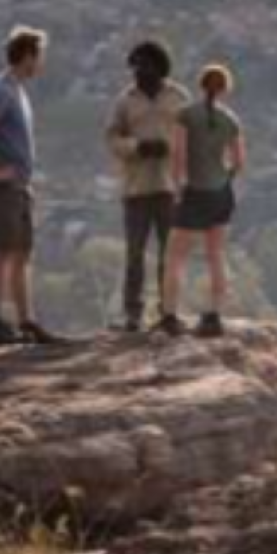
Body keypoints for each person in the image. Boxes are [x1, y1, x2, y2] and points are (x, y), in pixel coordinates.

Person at [0, 26, 60, 346]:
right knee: (1, 251)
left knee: (20, 253)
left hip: (20, 186)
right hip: (3, 188)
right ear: (27, 56)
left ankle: (26, 321)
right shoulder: (0, 90)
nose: (41, 64)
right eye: (39, 57)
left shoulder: (17, 89)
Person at [104, 37, 189, 334]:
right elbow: (112, 140)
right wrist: (138, 147)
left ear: (159, 67)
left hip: (170, 186)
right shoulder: (125, 100)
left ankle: (168, 313)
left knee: (171, 254)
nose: (138, 72)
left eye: (144, 66)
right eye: (135, 68)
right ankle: (133, 316)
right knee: (135, 255)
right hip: (136, 187)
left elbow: (191, 138)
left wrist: (173, 152)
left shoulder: (178, 97)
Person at [165, 63, 246, 338]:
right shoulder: (231, 120)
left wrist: (178, 187)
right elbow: (239, 162)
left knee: (175, 256)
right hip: (221, 192)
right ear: (225, 89)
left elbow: (178, 154)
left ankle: (170, 316)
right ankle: (213, 317)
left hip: (193, 192)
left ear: (201, 85)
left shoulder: (185, 115)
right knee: (216, 255)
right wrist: (224, 177)